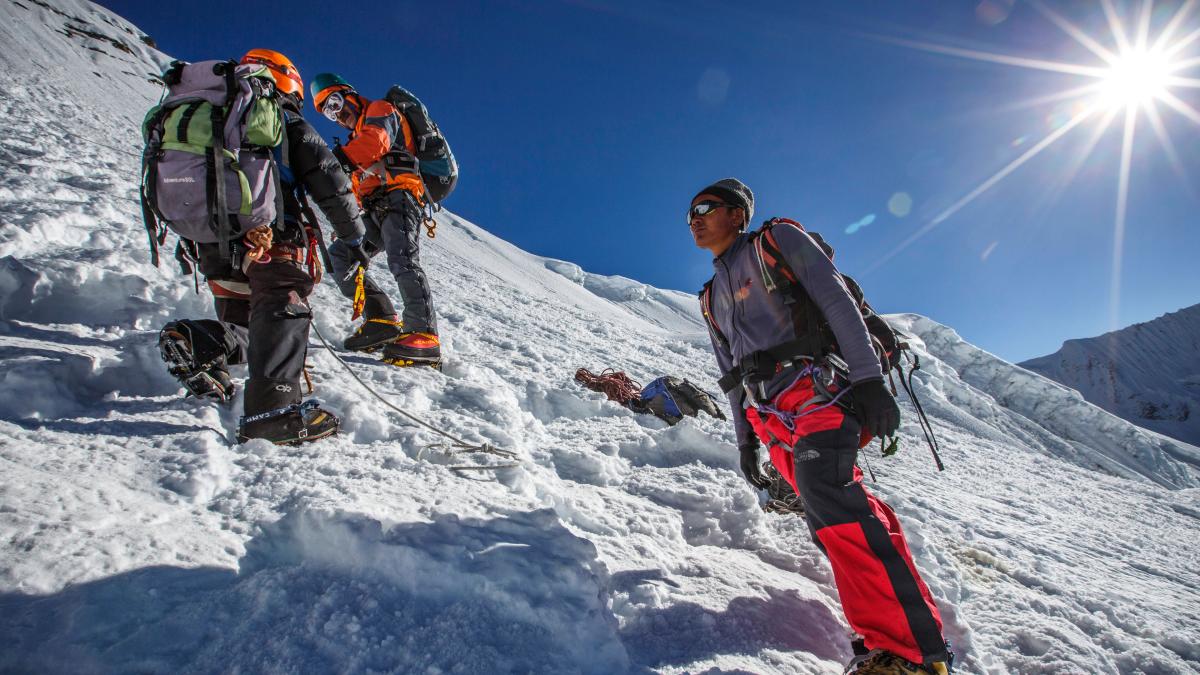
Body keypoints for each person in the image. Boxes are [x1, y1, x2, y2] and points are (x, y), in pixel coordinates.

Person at [691, 178, 951, 675]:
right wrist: (745, 442)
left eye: (706, 208)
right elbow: (730, 374)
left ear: (737, 214)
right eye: (690, 214)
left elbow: (837, 303)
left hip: (819, 396)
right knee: (834, 513)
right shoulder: (709, 297)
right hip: (773, 418)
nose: (696, 219)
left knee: (834, 506)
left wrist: (872, 382)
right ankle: (886, 637)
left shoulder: (777, 240)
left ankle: (915, 655)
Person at [158, 49, 367, 444]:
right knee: (282, 304)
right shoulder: (283, 118)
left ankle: (200, 342)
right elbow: (330, 179)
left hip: (212, 242)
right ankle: (274, 412)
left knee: (247, 324)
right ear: (289, 82)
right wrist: (354, 238)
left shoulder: (214, 116)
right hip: (270, 235)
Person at [308, 73, 441, 366]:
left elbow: (377, 142)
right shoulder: (354, 140)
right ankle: (381, 319)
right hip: (373, 208)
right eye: (328, 112)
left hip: (401, 196)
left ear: (349, 94)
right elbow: (356, 184)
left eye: (335, 102)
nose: (336, 113)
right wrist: (347, 220)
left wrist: (335, 161)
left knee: (402, 258)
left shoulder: (380, 110)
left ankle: (424, 334)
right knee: (340, 257)